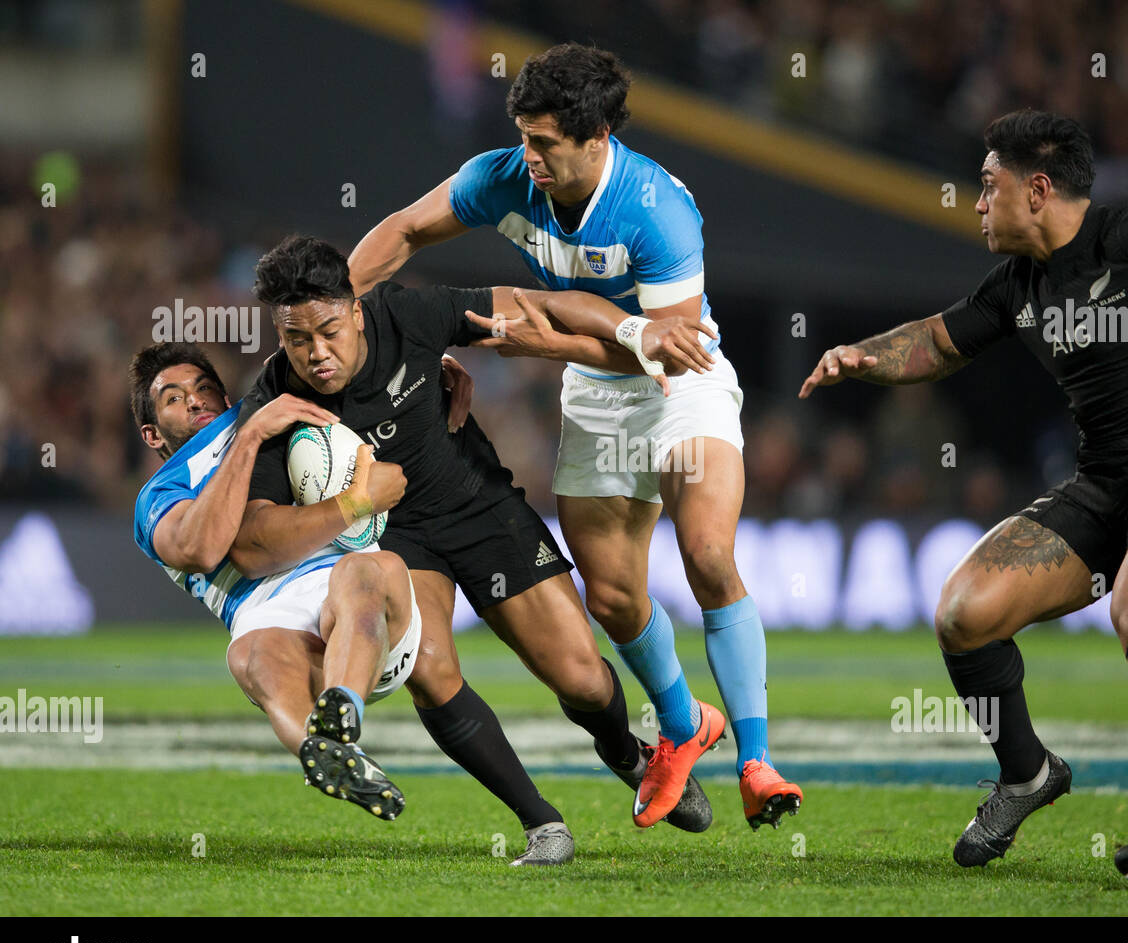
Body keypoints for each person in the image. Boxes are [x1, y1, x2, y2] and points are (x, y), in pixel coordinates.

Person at [799, 109, 1128, 885]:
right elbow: (935, 340)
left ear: (1037, 189)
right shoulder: (1018, 285)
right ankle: (1027, 772)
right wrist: (863, 355)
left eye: (988, 186)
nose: (977, 203)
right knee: (964, 613)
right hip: (1103, 482)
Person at [349, 43, 803, 830]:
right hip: (597, 397)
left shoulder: (657, 210)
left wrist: (544, 344)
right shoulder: (503, 177)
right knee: (614, 596)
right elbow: (406, 230)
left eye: (545, 143)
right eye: (523, 137)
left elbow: (668, 343)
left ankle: (758, 760)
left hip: (679, 386)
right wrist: (340, 308)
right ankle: (683, 725)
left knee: (707, 554)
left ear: (597, 139)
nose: (528, 158)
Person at [233, 235, 716, 865]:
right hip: (394, 541)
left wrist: (636, 333)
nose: (317, 354)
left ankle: (627, 753)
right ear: (279, 333)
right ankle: (541, 823)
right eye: (297, 340)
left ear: (355, 309)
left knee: (583, 679)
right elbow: (254, 536)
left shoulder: (406, 315)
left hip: (477, 506)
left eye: (329, 331)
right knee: (429, 673)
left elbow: (537, 303)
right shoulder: (274, 405)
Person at [130, 343, 417, 821]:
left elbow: (329, 337)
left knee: (364, 571)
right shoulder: (159, 496)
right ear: (151, 433)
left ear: (226, 398)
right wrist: (248, 438)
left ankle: (342, 710)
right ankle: (329, 754)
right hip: (266, 616)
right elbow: (201, 548)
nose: (196, 400)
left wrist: (426, 363)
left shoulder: (266, 404)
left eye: (204, 389)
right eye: (174, 398)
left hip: (357, 596)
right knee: (248, 654)